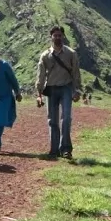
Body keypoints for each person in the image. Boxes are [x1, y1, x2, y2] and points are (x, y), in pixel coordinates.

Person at [35, 26, 82, 159]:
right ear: (51, 37)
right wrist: (39, 95)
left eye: (60, 35)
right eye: (55, 35)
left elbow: (76, 73)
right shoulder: (45, 56)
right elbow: (41, 75)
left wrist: (77, 90)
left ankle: (66, 149)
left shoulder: (71, 53)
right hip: (51, 89)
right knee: (52, 120)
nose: (57, 37)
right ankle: (54, 149)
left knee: (66, 118)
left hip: (66, 88)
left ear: (63, 36)